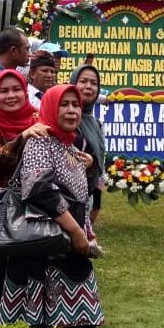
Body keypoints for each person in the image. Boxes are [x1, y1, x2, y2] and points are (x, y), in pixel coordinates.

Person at [0, 84, 103, 328]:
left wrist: (86, 232)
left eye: (75, 105)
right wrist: (76, 231)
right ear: (50, 108)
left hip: (68, 253)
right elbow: (39, 190)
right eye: (63, 105)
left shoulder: (70, 145)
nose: (71, 111)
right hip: (40, 251)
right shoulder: (40, 142)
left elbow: (77, 196)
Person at [0, 69, 48, 324]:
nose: (11, 95)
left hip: (38, 209)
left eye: (16, 89)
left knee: (35, 271)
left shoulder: (39, 117)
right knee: (0, 274)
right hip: (2, 212)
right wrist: (22, 137)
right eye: (3, 91)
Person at [70, 62, 106, 225]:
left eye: (94, 83)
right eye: (83, 81)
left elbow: (99, 161)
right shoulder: (66, 118)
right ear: (73, 83)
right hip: (67, 198)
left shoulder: (95, 123)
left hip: (89, 194)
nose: (88, 87)